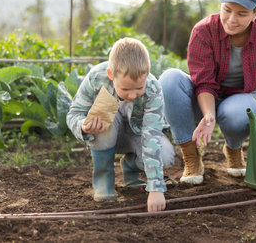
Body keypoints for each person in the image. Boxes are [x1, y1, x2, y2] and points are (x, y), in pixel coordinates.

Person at [159, 0, 256, 185]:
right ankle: (191, 156)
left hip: (242, 96)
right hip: (204, 96)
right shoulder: (203, 31)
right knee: (169, 80)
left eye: (242, 13)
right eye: (227, 9)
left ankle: (233, 148)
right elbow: (204, 82)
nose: (231, 19)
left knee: (236, 114)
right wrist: (209, 115)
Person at [66, 37, 175, 212]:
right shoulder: (96, 78)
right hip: (106, 134)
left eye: (139, 88)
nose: (132, 95)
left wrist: (156, 187)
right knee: (104, 113)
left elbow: (152, 135)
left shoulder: (153, 89)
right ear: (111, 75)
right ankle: (103, 180)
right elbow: (74, 113)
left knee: (166, 157)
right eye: (125, 89)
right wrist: (83, 126)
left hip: (137, 135)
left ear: (147, 74)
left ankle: (131, 165)